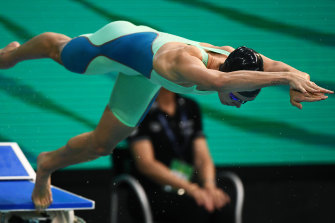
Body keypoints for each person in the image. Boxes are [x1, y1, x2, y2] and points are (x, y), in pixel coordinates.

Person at [0, 20, 332, 210]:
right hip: (121, 44)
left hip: (144, 76)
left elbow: (274, 67)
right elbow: (221, 81)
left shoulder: (235, 57)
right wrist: (283, 79)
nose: (239, 103)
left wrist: (296, 77)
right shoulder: (189, 64)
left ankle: (45, 164)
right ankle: (15, 54)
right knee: (62, 53)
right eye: (239, 98)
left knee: (102, 146)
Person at [127, 88, 233, 223]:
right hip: (152, 191)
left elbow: (203, 158)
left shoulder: (189, 106)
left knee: (221, 207)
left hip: (187, 187)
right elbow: (146, 164)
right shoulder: (140, 109)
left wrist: (209, 187)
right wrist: (190, 188)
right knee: (196, 208)